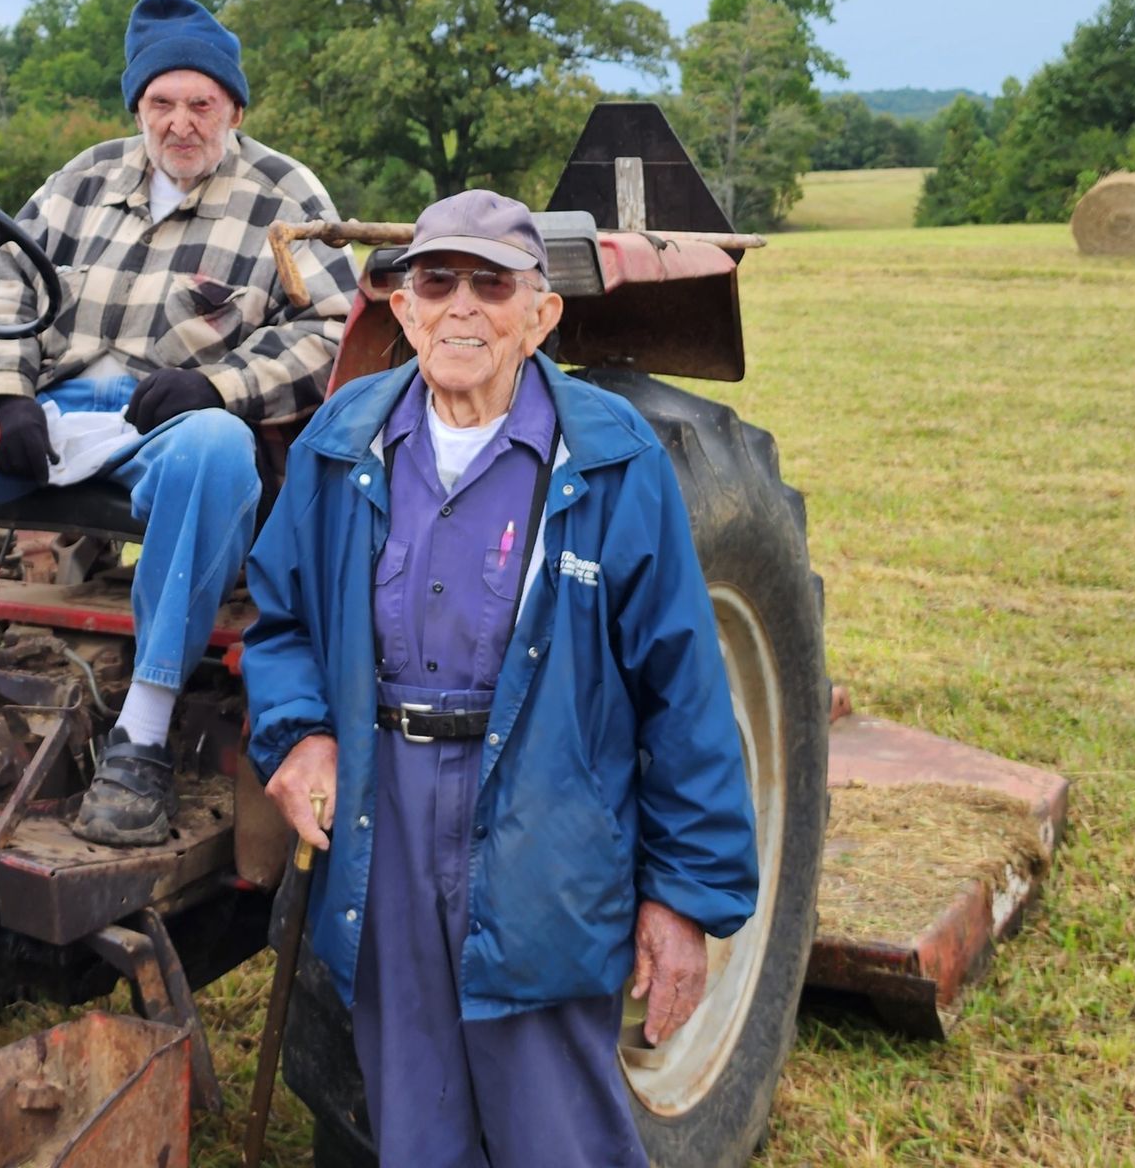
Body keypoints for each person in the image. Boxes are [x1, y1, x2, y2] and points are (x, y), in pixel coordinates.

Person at [243, 190, 759, 1165]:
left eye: (494, 283)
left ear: (543, 314)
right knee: (415, 1129)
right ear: (402, 305)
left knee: (555, 1134)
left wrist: (685, 898)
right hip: (384, 817)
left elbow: (683, 694)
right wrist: (298, 728)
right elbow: (281, 617)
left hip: (545, 830)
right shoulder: (344, 439)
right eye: (438, 281)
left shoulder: (611, 461)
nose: (463, 307)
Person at [0, 0, 359, 848]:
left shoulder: (284, 195)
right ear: (139, 106)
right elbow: (1, 281)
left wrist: (219, 387)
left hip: (168, 424)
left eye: (200, 104)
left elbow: (335, 330)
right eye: (161, 103)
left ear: (234, 108)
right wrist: (6, 393)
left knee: (219, 451)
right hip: (52, 410)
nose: (180, 122)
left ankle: (141, 736)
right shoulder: (85, 178)